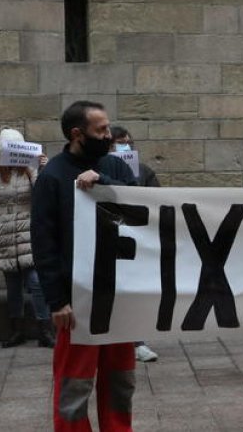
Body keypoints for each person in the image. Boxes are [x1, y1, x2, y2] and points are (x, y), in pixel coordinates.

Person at [31, 101, 138, 431]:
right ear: (78, 134)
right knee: (74, 384)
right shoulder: (52, 177)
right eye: (101, 130)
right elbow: (44, 243)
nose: (109, 135)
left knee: (120, 380)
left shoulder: (116, 167)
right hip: (77, 301)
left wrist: (103, 181)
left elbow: (141, 204)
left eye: (108, 128)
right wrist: (56, 301)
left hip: (118, 294)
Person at [0, 128, 53, 349]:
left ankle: (45, 330)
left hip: (27, 235)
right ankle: (17, 330)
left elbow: (44, 195)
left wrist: (40, 169)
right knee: (12, 287)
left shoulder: (30, 171)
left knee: (36, 283)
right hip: (4, 237)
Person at [110, 126, 160, 364]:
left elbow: (157, 201)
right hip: (110, 239)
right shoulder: (99, 169)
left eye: (128, 142)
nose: (126, 146)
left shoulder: (144, 171)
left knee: (137, 291)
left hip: (137, 240)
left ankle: (138, 342)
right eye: (120, 142)